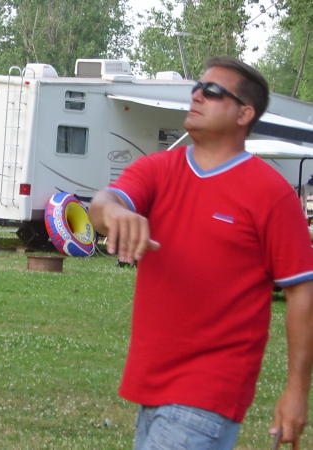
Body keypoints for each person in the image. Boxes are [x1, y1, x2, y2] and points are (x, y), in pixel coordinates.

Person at [89, 56, 313, 449]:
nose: (196, 95)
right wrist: (116, 213)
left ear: (244, 113)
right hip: (150, 384)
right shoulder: (158, 169)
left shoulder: (270, 193)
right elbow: (103, 203)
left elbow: (302, 294)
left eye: (212, 91)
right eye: (196, 86)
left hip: (209, 391)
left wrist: (296, 393)